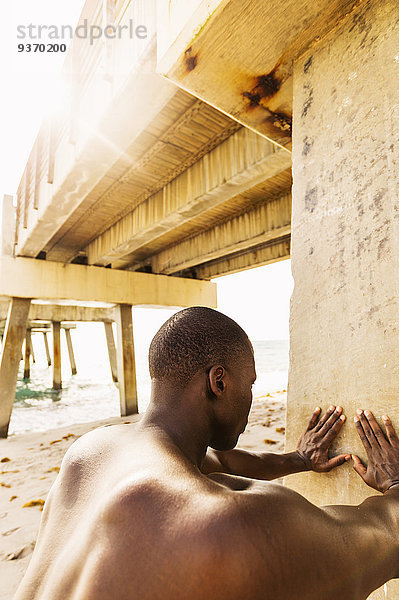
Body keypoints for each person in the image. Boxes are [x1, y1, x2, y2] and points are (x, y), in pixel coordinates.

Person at [14, 307, 399, 600]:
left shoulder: (92, 453)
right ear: (219, 381)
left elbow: (219, 461)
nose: (250, 397)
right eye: (249, 384)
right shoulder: (222, 524)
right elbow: (383, 539)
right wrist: (395, 483)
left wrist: (297, 460)